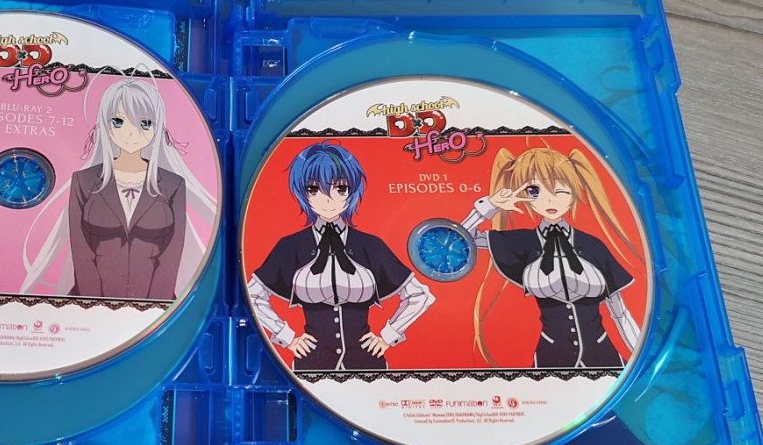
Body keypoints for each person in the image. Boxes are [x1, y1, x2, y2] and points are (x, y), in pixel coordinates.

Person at [21, 77, 216, 301]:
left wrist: (154, 305)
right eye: (119, 121)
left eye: (144, 123)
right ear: (104, 124)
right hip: (89, 303)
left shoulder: (173, 184)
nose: (131, 133)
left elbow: (171, 257)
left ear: (158, 127)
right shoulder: (84, 181)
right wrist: (93, 305)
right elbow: (81, 254)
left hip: (158, 307)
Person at [247, 142, 434, 371]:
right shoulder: (291, 246)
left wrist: (388, 336)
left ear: (352, 191)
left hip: (367, 364)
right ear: (303, 193)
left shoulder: (369, 245)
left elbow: (420, 295)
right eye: (314, 190)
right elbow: (252, 296)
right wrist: (286, 337)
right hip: (312, 366)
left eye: (340, 189)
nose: (328, 199)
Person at [463, 146, 641, 368]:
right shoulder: (522, 242)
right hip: (551, 359)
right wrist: (490, 206)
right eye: (535, 191)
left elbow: (621, 313)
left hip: (603, 358)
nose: (550, 201)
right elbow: (460, 240)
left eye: (560, 190)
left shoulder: (592, 245)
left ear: (574, 189)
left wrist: (641, 360)